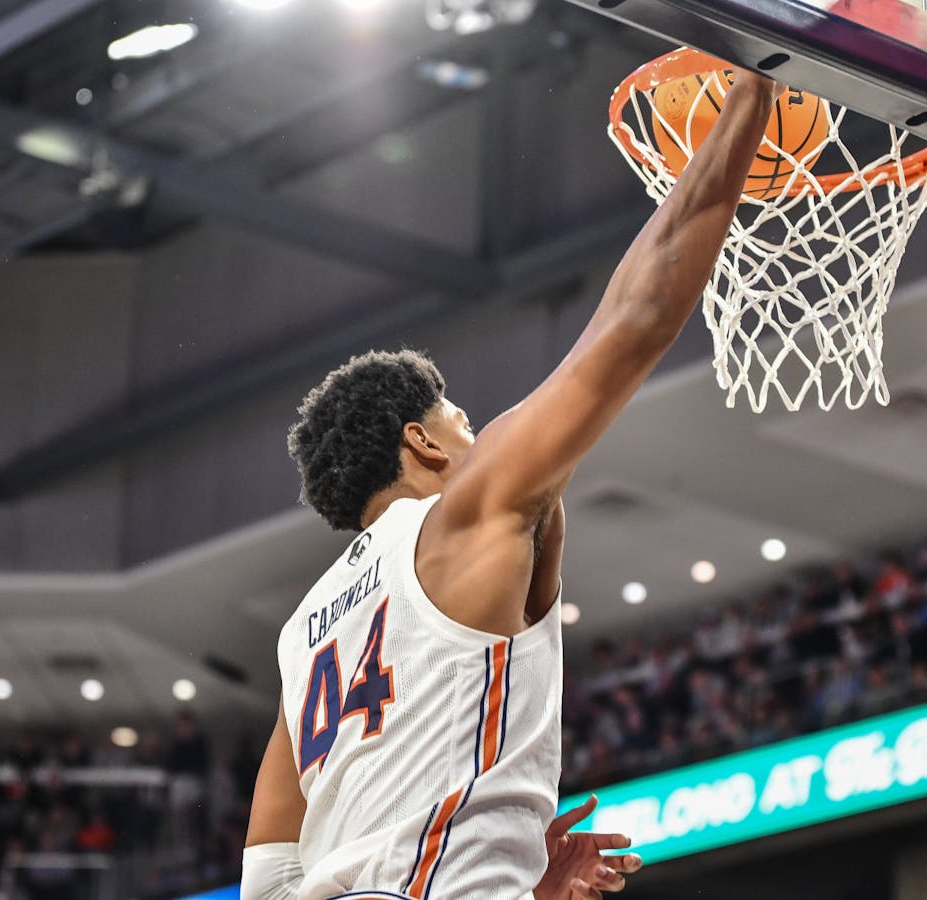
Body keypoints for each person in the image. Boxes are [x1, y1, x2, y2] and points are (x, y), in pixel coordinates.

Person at [243, 66, 785, 900]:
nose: (482, 438)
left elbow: (269, 882)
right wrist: (754, 89)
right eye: (463, 421)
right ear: (423, 444)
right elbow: (636, 318)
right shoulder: (463, 516)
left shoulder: (301, 639)